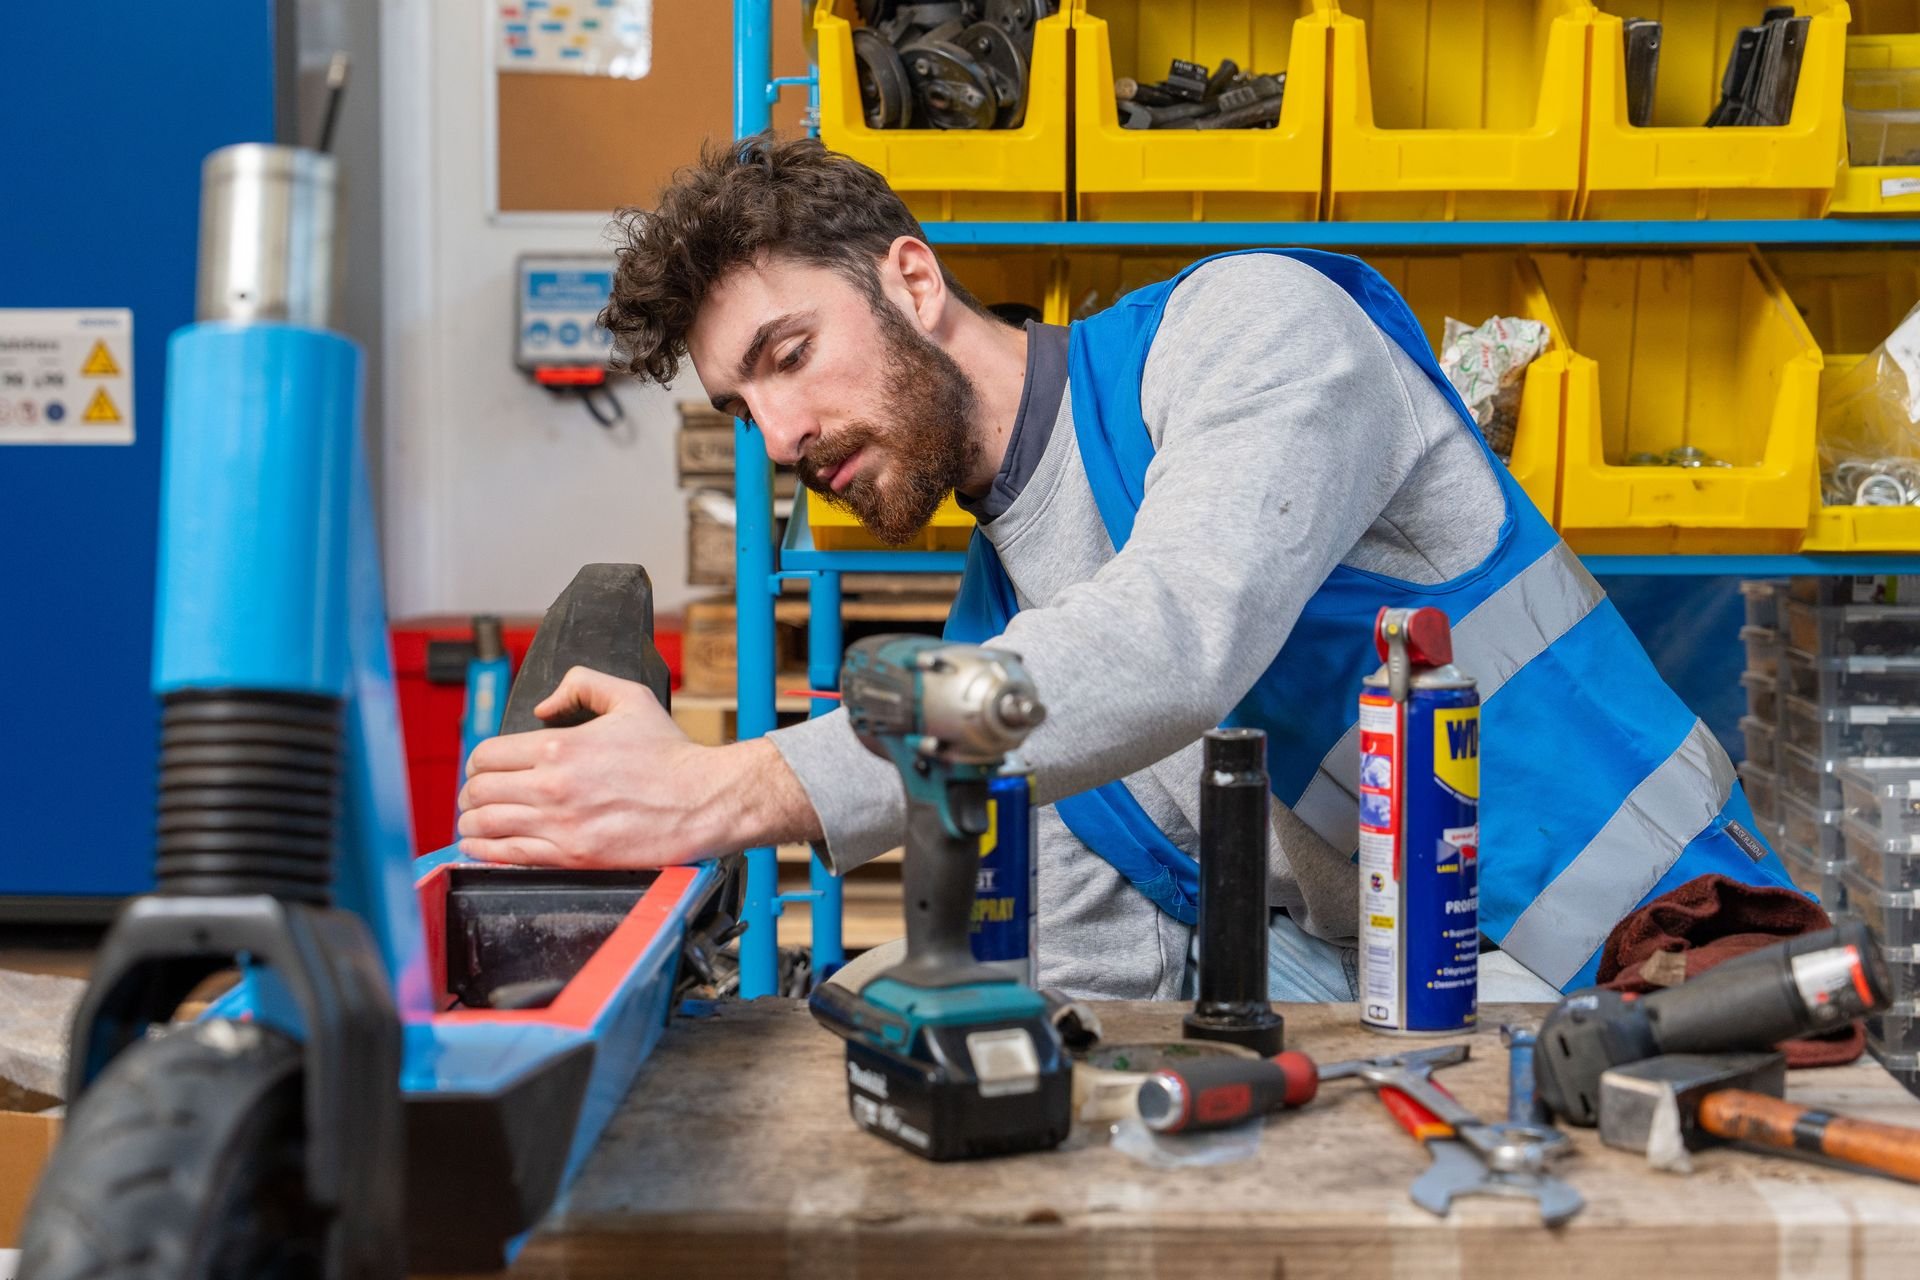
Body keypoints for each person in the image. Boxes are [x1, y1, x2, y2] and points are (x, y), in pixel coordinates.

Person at [456, 134, 1795, 1000]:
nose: (783, 437)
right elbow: (1095, 944)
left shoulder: (1255, 328)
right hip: (1404, 1001)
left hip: (1665, 951)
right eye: (741, 410)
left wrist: (724, 789)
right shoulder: (1007, 621)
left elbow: (1169, 643)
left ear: (912, 280)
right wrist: (866, 1008)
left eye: (789, 357)